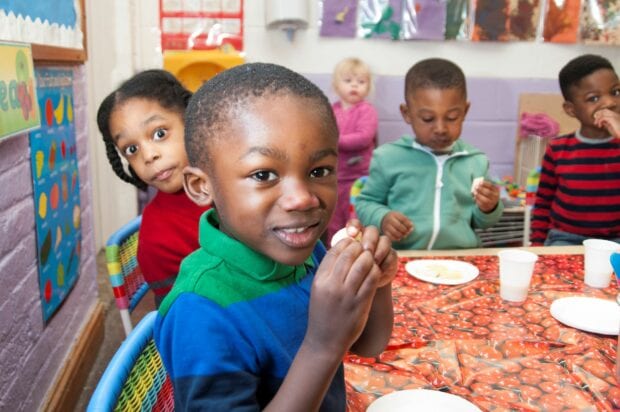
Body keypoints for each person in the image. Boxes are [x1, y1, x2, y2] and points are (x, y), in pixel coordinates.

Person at [153, 62, 397, 410]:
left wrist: (377, 283)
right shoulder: (201, 312)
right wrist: (322, 345)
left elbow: (368, 346)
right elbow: (329, 346)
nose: (302, 198)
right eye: (264, 174)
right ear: (201, 186)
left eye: (319, 170)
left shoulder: (307, 251)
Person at [355, 58, 503, 250]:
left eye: (451, 118)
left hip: (458, 261)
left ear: (465, 111)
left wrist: (489, 207)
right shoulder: (388, 158)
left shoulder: (475, 161)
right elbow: (365, 203)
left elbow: (482, 222)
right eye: (428, 118)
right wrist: (382, 218)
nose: (440, 128)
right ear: (407, 113)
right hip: (402, 259)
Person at [97, 69, 209, 306]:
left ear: (190, 121)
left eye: (159, 134)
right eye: (131, 149)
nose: (148, 155)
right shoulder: (157, 239)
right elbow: (186, 322)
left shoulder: (235, 178)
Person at [530, 54, 620, 246]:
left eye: (615, 92)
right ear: (571, 110)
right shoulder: (558, 149)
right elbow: (543, 204)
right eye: (594, 98)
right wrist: (537, 246)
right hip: (567, 238)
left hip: (615, 241)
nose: (610, 102)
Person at [326, 57, 378, 243]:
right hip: (334, 177)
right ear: (336, 85)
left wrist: (334, 140)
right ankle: (333, 251)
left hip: (358, 178)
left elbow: (364, 138)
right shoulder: (332, 110)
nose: (354, 85)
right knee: (332, 219)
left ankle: (355, 251)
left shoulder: (366, 110)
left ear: (368, 86)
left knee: (354, 220)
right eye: (348, 81)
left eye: (361, 82)